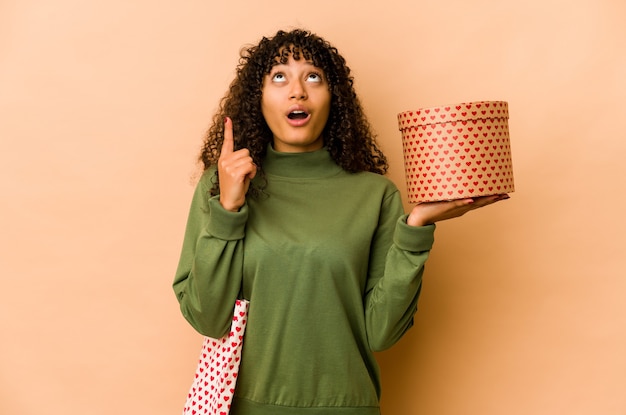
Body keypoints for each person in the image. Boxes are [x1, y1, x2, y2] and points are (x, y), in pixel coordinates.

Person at [173, 28, 508, 415]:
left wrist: (415, 228)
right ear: (257, 99)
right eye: (279, 76)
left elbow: (381, 334)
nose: (297, 91)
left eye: (313, 76)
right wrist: (228, 211)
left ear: (335, 99)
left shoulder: (374, 196)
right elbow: (207, 317)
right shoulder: (222, 187)